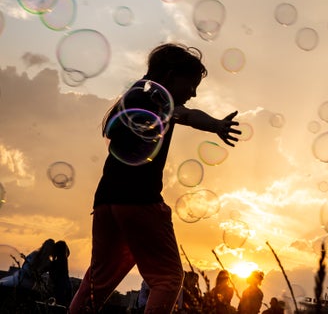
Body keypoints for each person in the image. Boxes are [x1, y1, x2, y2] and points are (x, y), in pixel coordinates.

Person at [69, 43, 241, 313]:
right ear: (171, 76)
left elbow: (117, 132)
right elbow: (187, 115)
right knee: (168, 279)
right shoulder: (158, 100)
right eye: (191, 84)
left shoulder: (135, 96)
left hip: (106, 202)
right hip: (140, 200)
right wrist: (216, 125)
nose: (193, 93)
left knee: (97, 282)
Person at [48, 240, 72, 307]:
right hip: (67, 286)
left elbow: (52, 278)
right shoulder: (64, 261)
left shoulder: (54, 263)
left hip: (59, 289)